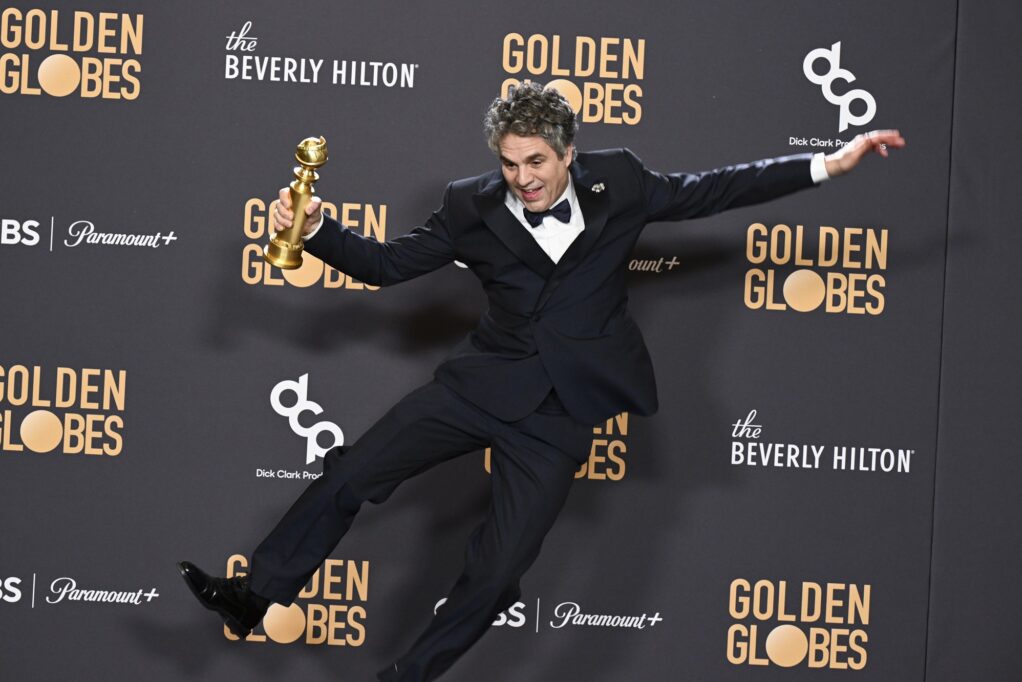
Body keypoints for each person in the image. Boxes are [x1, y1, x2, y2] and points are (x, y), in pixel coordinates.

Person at [179, 82, 904, 681]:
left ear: (568, 154)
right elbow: (387, 265)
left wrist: (827, 165)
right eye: (509, 163)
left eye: (535, 162)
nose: (522, 178)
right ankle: (254, 596)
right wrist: (315, 231)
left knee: (497, 576)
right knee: (352, 473)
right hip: (479, 384)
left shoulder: (622, 182)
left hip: (558, 413)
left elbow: (715, 190)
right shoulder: (469, 206)